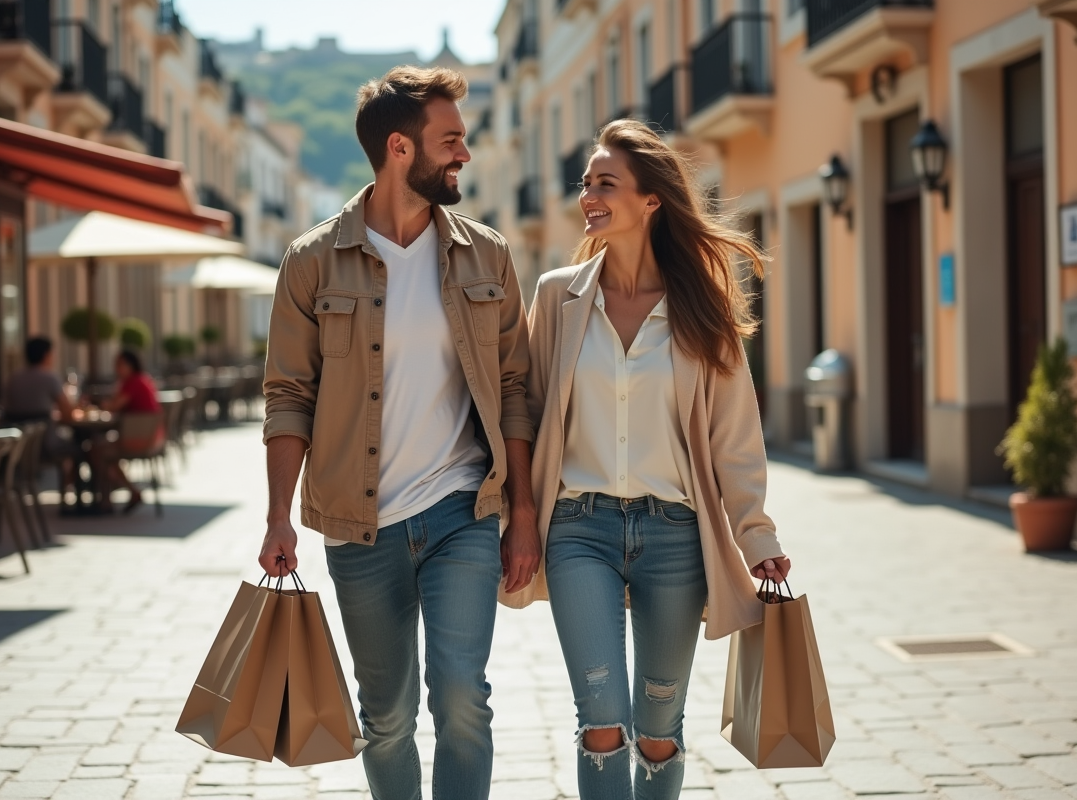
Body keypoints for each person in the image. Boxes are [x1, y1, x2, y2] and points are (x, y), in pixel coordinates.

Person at [258, 66, 537, 800]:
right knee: (385, 717)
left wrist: (525, 513)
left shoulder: (488, 256)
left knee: (461, 699)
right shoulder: (312, 261)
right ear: (400, 150)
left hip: (461, 513)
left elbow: (514, 388)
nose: (465, 155)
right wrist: (277, 515)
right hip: (359, 524)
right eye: (451, 141)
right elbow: (288, 394)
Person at [520, 119, 792, 799]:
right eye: (587, 183)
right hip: (577, 530)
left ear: (651, 201)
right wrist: (518, 515)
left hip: (676, 538)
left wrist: (756, 534)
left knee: (658, 728)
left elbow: (735, 435)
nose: (589, 194)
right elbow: (521, 407)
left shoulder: (702, 306)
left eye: (605, 182)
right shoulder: (557, 296)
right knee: (603, 721)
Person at [2, 336, 80, 491]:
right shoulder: (49, 377)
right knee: (81, 448)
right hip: (46, 445)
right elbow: (68, 413)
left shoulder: (13, 378)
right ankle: (72, 494)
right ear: (46, 355)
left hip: (16, 445)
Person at [94, 350, 162, 514]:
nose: (116, 368)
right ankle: (123, 491)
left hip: (138, 438)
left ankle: (107, 499)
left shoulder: (133, 382)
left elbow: (114, 406)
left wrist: (103, 404)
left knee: (96, 451)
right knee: (98, 449)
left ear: (130, 365)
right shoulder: (143, 379)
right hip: (151, 437)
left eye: (119, 364)